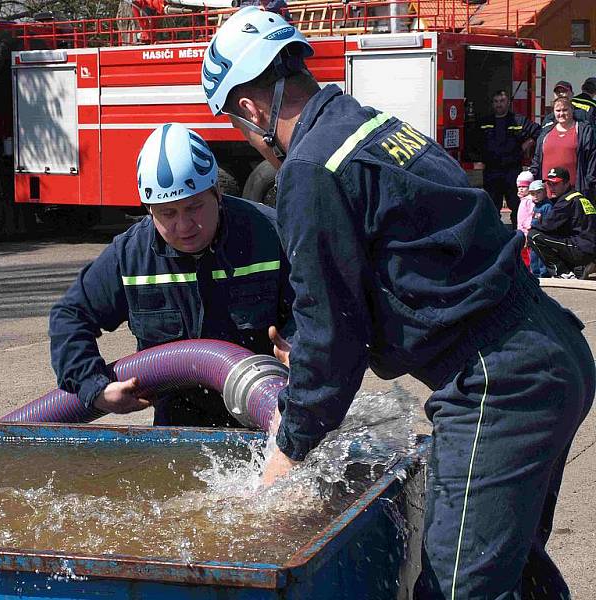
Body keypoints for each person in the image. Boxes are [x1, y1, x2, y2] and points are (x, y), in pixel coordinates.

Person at [201, 6, 594, 598]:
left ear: (250, 108)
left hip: (499, 383)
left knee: (453, 589)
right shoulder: (373, 127)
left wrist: (288, 448)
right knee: (512, 572)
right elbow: (392, 269)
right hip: (548, 347)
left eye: (235, 120)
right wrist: (310, 349)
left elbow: (336, 334)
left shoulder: (310, 169)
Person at [48, 123, 294, 427]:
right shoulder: (131, 256)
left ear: (217, 193)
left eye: (193, 208)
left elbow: (320, 303)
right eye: (168, 213)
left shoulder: (270, 235)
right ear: (149, 210)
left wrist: (302, 348)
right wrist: (95, 388)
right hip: (181, 433)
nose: (183, 225)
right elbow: (70, 316)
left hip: (270, 417)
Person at [473, 90, 540, 228]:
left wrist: (528, 143)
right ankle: (493, 233)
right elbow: (473, 141)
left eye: (502, 101)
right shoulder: (484, 122)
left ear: (508, 103)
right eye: (496, 102)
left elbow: (538, 132)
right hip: (492, 171)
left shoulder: (518, 120)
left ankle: (519, 234)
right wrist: (478, 158)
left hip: (512, 171)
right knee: (491, 205)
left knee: (516, 204)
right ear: (492, 104)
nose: (499, 105)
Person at [528, 166, 596, 279]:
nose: (551, 187)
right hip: (587, 247)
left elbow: (546, 226)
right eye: (549, 184)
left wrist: (527, 228)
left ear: (566, 183)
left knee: (533, 235)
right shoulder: (580, 197)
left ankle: (563, 273)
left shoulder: (567, 201)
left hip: (582, 248)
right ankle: (580, 267)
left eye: (555, 184)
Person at [531, 96, 596, 200]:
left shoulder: (584, 131)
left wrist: (589, 184)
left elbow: (592, 159)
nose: (561, 113)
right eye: (558, 110)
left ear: (572, 110)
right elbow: (537, 158)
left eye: (565, 110)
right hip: (547, 193)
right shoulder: (546, 132)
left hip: (574, 192)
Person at [528, 179, 553, 277]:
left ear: (545, 192)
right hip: (534, 234)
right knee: (533, 257)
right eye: (533, 193)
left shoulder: (547, 206)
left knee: (541, 257)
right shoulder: (535, 206)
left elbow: (548, 224)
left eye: (539, 192)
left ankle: (544, 275)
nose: (536, 195)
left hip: (542, 235)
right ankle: (535, 274)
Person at [515, 170, 535, 266]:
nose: (521, 189)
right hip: (521, 231)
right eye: (519, 187)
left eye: (524, 187)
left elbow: (530, 216)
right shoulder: (523, 199)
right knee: (523, 254)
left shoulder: (529, 200)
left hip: (526, 232)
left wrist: (527, 232)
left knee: (528, 254)